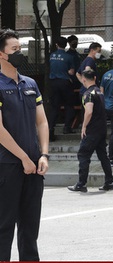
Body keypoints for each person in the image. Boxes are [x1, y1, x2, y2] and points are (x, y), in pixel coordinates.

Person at [0, 28, 49, 261]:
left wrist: (44, 155)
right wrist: (23, 158)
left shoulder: (30, 83)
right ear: (1, 54)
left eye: (21, 49)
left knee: (30, 229)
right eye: (15, 50)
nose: (20, 53)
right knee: (4, 227)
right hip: (7, 166)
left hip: (34, 166)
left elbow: (42, 121)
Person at [68, 69, 113, 192]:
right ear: (94, 78)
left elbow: (89, 111)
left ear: (83, 80)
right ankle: (110, 181)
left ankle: (81, 184)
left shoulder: (88, 94)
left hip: (92, 129)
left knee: (83, 154)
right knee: (103, 156)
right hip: (101, 129)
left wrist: (84, 126)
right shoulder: (99, 92)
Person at [48, 36, 76, 140]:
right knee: (69, 105)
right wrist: (67, 72)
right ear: (66, 45)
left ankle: (51, 129)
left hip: (53, 82)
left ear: (56, 44)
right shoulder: (69, 57)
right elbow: (72, 72)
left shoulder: (51, 56)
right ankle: (67, 127)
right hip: (65, 82)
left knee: (54, 107)